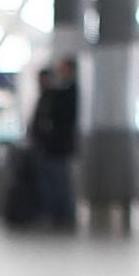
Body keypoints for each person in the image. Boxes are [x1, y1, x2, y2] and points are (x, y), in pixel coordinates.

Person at [28, 56, 81, 230]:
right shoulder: (55, 93)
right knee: (52, 183)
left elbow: (61, 120)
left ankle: (63, 216)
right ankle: (54, 215)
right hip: (49, 147)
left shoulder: (68, 93)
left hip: (58, 147)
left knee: (60, 183)